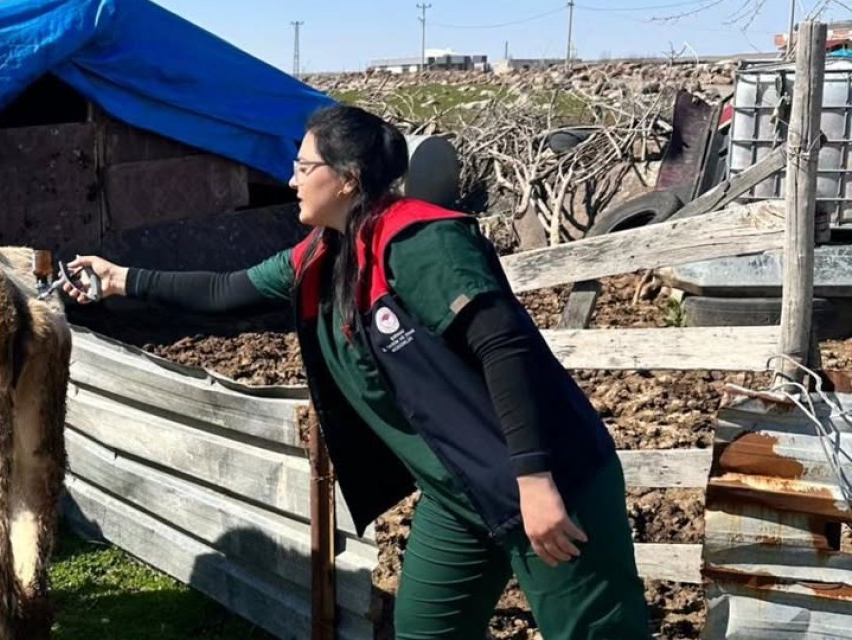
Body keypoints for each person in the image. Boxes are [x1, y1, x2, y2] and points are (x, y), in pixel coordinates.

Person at [63, 104, 648, 639]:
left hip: (548, 485)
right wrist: (120, 279)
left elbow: (506, 348)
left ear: (345, 178)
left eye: (302, 165)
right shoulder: (324, 253)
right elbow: (225, 290)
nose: (291, 179)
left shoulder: (423, 241)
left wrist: (535, 482)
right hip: (460, 494)